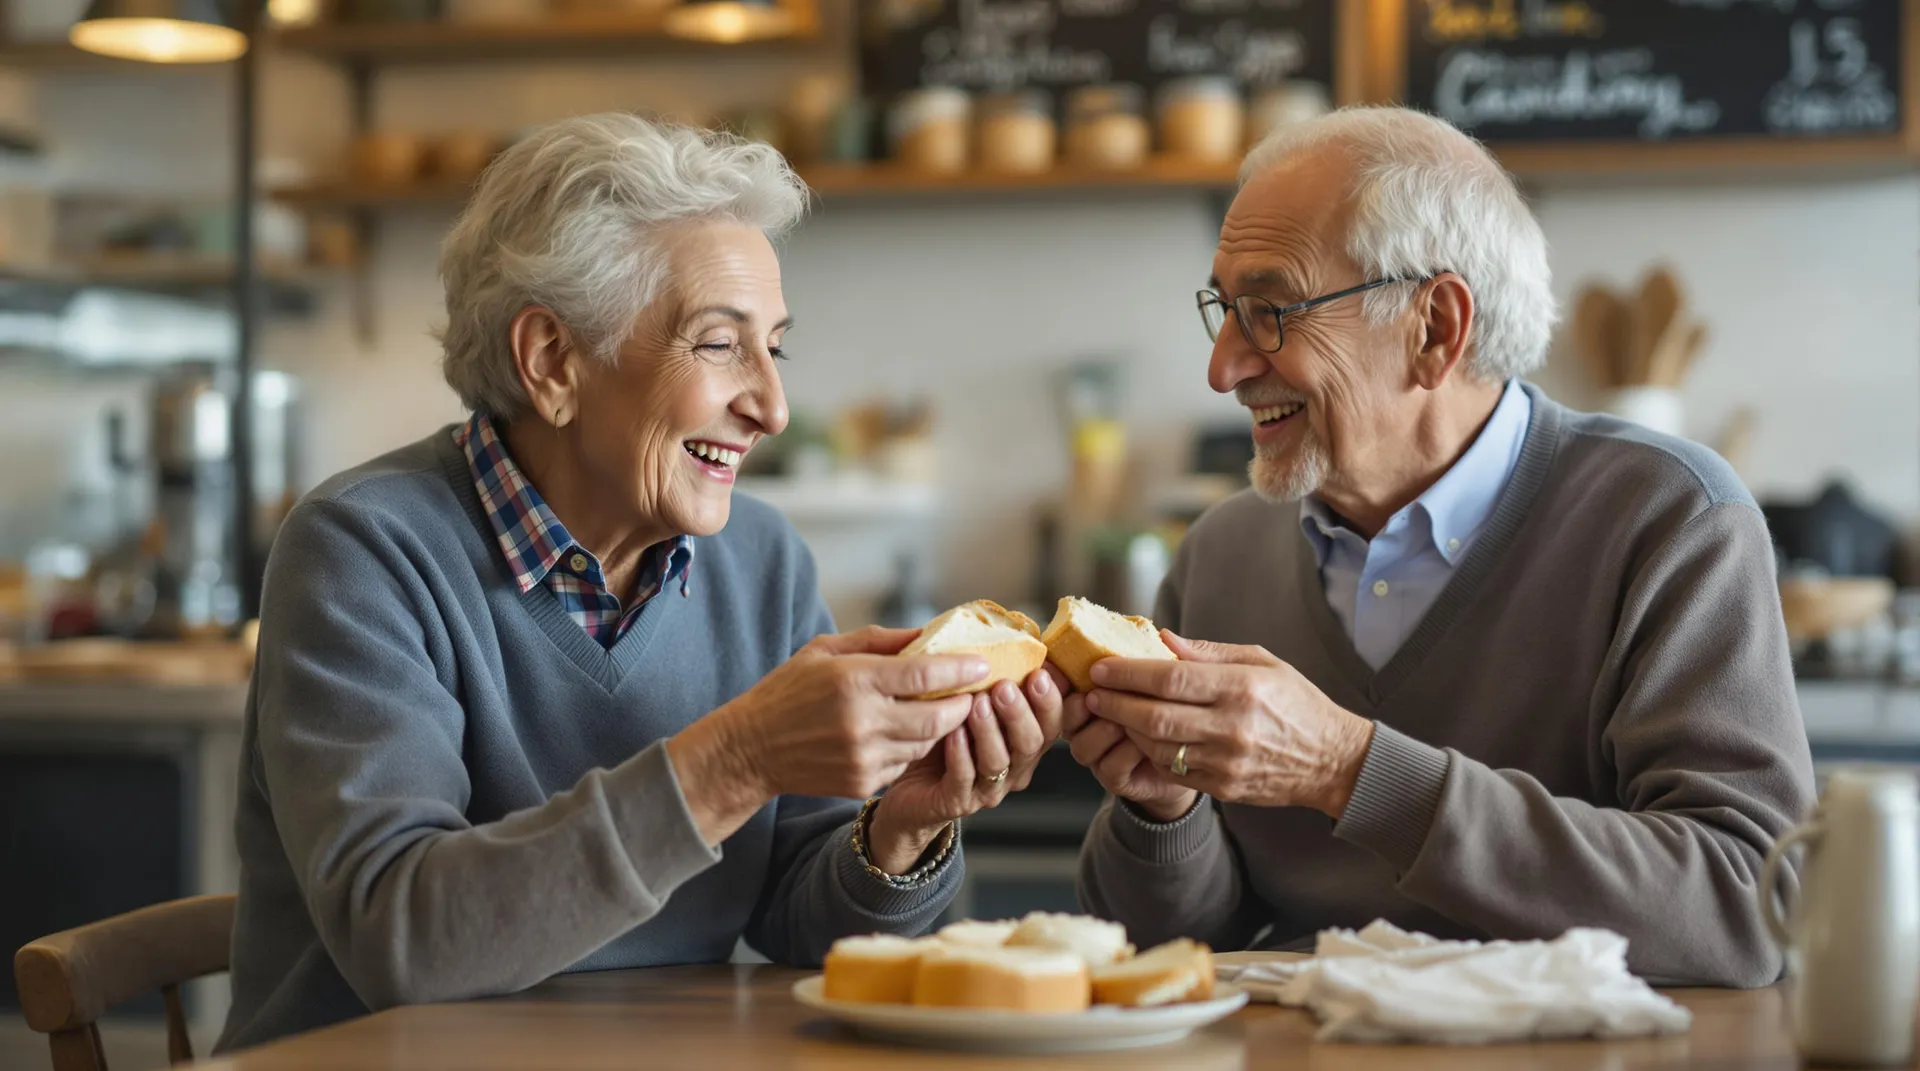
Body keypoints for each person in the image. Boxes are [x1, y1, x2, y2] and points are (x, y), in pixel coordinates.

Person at [219, 114, 1064, 1050]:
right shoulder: (364, 549)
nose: (772, 407)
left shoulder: (762, 560)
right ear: (551, 361)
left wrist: (898, 831)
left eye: (773, 348)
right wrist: (738, 756)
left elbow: (803, 927)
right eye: (717, 344)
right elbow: (406, 940)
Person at [1066, 106, 1814, 987]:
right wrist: (1166, 812)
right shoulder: (1219, 555)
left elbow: (1751, 908)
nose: (1223, 367)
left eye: (1269, 311)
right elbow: (1174, 948)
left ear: (1435, 328)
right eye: (1224, 310)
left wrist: (1351, 769)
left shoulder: (1671, 518)